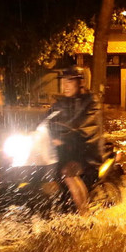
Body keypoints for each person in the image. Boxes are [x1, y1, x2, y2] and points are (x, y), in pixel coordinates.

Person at [45, 66, 103, 215]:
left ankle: (84, 215)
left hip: (86, 154)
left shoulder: (91, 102)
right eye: (63, 81)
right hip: (65, 152)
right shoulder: (60, 104)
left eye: (69, 81)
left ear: (81, 82)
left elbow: (85, 126)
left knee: (68, 173)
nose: (65, 85)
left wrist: (63, 138)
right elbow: (46, 120)